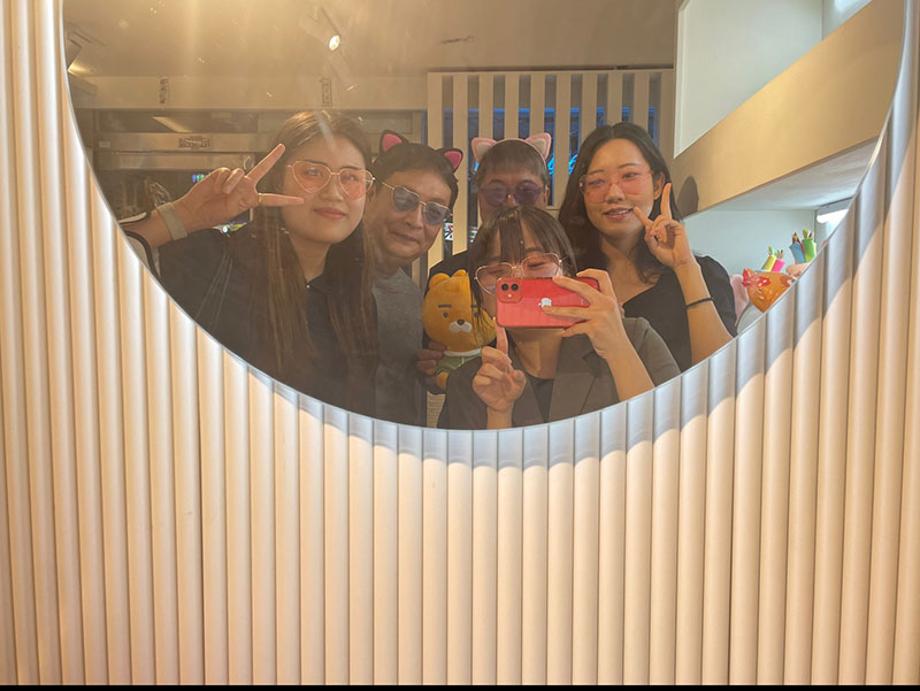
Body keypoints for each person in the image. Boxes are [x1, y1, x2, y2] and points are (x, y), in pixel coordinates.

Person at [121, 111, 379, 414]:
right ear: (277, 180)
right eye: (312, 172)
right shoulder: (211, 262)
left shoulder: (355, 298)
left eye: (350, 178)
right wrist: (184, 216)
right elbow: (90, 268)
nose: (333, 193)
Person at [439, 206, 679, 430]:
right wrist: (498, 413)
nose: (519, 279)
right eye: (497, 272)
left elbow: (674, 441)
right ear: (480, 294)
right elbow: (480, 464)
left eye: (536, 264)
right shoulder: (471, 382)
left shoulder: (634, 339)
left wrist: (618, 350)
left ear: (568, 273)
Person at [559, 122, 736, 372]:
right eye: (597, 182)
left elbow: (722, 375)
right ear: (582, 193)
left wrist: (684, 266)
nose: (614, 193)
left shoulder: (704, 275)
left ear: (657, 184)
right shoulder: (567, 279)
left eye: (629, 176)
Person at [418, 133, 552, 380]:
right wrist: (433, 370)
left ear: (545, 195)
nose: (510, 202)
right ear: (480, 197)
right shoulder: (446, 276)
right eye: (496, 192)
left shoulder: (568, 271)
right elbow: (434, 367)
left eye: (526, 192)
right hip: (471, 402)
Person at [362, 131, 462, 424]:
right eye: (403, 199)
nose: (416, 221)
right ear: (370, 194)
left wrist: (433, 370)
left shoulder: (414, 297)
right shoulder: (319, 276)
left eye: (434, 212)